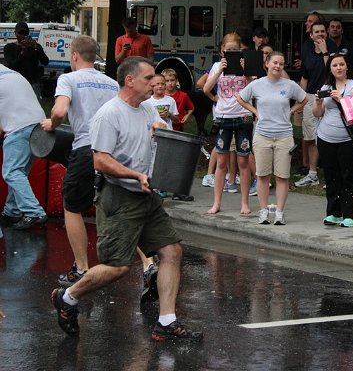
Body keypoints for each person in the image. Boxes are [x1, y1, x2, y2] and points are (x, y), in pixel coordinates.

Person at [51, 57, 202, 341]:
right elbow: (100, 160)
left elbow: (158, 128)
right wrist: (134, 175)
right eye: (148, 78)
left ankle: (166, 321)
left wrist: (160, 130)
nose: (154, 82)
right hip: (119, 196)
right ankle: (68, 297)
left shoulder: (146, 108)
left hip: (146, 194)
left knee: (171, 251)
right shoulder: (109, 114)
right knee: (117, 266)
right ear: (130, 81)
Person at [40, 35, 120, 286]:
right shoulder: (112, 83)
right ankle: (149, 264)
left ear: (74, 56)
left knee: (72, 206)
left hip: (87, 148)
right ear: (94, 56)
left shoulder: (68, 79)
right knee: (122, 209)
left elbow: (60, 110)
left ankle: (81, 267)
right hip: (115, 152)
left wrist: (51, 124)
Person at [238, 51, 307, 225]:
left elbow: (304, 99)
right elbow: (240, 98)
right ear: (267, 63)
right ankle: (263, 211)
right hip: (262, 135)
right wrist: (255, 112)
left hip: (284, 135)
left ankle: (279, 212)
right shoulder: (257, 84)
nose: (278, 66)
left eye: (281, 64)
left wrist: (291, 110)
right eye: (275, 62)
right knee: (262, 175)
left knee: (282, 176)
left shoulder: (289, 85)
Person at [204, 33, 254, 216]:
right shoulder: (216, 66)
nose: (232, 52)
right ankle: (216, 202)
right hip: (223, 116)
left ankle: (245, 203)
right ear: (222, 51)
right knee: (221, 161)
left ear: (241, 50)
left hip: (243, 116)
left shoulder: (246, 64)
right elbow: (206, 88)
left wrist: (245, 70)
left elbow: (254, 87)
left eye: (235, 50)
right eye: (228, 50)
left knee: (243, 160)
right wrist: (219, 71)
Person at [313, 52, 353, 227]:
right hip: (325, 137)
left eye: (341, 64)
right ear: (330, 69)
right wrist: (318, 102)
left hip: (347, 138)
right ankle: (333, 212)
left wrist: (341, 100)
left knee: (349, 175)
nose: (338, 68)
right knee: (331, 176)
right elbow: (317, 114)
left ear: (347, 66)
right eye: (334, 65)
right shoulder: (326, 86)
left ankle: (351, 214)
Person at [0, 64, 48, 230]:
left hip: (19, 127)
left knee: (11, 172)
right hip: (39, 126)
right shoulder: (12, 74)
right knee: (19, 172)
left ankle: (34, 211)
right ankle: (11, 211)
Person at [296, 19, 338, 188]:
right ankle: (312, 174)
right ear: (311, 35)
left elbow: (332, 71)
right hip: (311, 97)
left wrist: (325, 52)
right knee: (311, 137)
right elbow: (304, 78)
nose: (320, 34)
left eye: (322, 31)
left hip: (329, 96)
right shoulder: (307, 52)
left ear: (326, 33)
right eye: (317, 32)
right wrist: (301, 100)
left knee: (329, 137)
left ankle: (331, 175)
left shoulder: (333, 50)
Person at [3, 22, 49, 99]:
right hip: (16, 83)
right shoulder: (10, 47)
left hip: (32, 84)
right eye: (20, 33)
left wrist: (36, 47)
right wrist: (22, 52)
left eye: (25, 33)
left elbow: (45, 62)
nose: (22, 36)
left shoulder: (34, 47)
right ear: (15, 33)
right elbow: (12, 66)